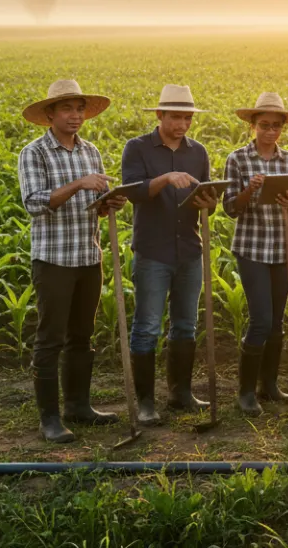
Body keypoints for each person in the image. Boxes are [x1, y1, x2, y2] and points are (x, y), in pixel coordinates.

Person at [18, 79, 123, 442]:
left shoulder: (90, 151)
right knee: (50, 338)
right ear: (50, 114)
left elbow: (95, 201)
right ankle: (49, 418)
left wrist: (108, 203)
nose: (75, 116)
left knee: (82, 336)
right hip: (53, 259)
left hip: (87, 256)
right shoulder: (34, 153)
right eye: (67, 109)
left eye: (80, 109)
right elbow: (34, 203)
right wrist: (80, 184)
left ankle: (78, 405)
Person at [120, 84, 214, 426]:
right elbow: (133, 192)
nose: (183, 124)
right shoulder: (138, 148)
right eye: (176, 117)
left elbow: (206, 197)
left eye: (188, 118)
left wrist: (209, 203)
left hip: (189, 248)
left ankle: (181, 394)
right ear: (160, 115)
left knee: (186, 325)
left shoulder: (198, 152)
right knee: (147, 327)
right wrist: (165, 178)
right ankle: (146, 403)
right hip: (153, 251)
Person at [222, 92, 288, 417]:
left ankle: (268, 385)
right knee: (260, 320)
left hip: (283, 247)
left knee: (276, 322)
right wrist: (249, 190)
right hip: (252, 248)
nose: (270, 131)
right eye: (264, 125)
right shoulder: (238, 159)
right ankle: (245, 392)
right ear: (253, 125)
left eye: (276, 126)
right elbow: (231, 208)